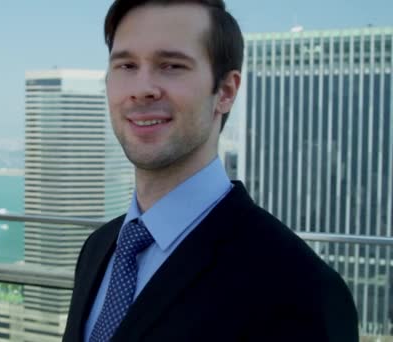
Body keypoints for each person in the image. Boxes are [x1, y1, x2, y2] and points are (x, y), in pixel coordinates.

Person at [63, 0, 359, 341]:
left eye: (172, 65)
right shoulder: (99, 249)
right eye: (126, 65)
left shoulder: (298, 286)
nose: (141, 88)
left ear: (226, 92)